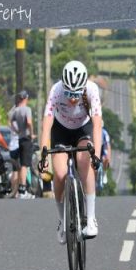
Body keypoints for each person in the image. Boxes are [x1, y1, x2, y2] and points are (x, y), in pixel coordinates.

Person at [39, 61, 103, 241]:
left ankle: (91, 219)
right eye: (69, 94)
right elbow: (46, 125)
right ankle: (61, 220)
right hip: (60, 130)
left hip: (83, 129)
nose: (73, 99)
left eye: (76, 94)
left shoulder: (92, 90)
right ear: (64, 87)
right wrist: (44, 154)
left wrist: (96, 155)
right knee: (59, 174)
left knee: (85, 163)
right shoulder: (56, 91)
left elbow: (97, 125)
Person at [8, 91, 34, 199]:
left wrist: (17, 130)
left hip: (20, 138)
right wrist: (31, 133)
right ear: (26, 98)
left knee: (18, 166)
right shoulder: (27, 110)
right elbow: (29, 122)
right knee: (24, 165)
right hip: (26, 138)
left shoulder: (16, 110)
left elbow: (9, 121)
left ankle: (19, 191)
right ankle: (23, 190)